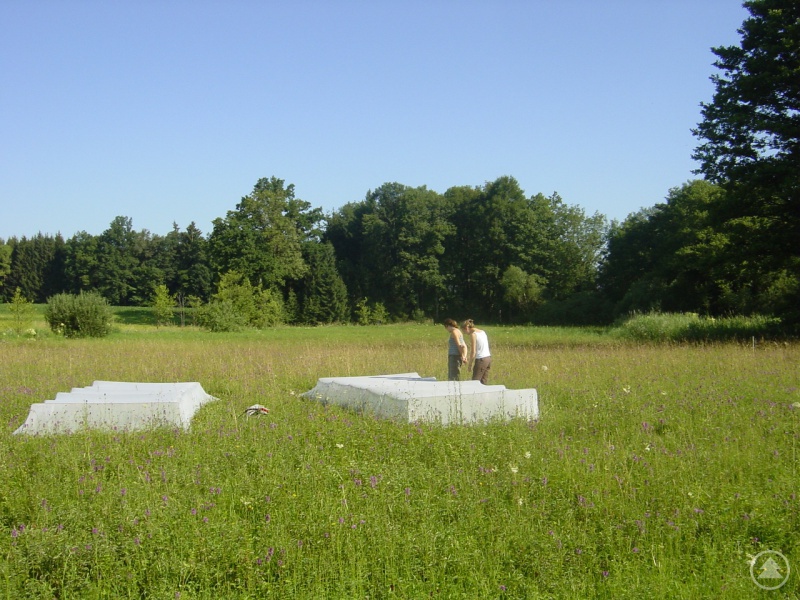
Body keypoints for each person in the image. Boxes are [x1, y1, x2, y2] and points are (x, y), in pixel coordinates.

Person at [462, 319, 492, 384]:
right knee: (483, 382)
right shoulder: (483, 332)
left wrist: (470, 365)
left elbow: (473, 351)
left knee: (475, 382)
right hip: (488, 358)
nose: (465, 333)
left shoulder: (473, 334)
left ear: (466, 328)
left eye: (464, 332)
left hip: (481, 359)